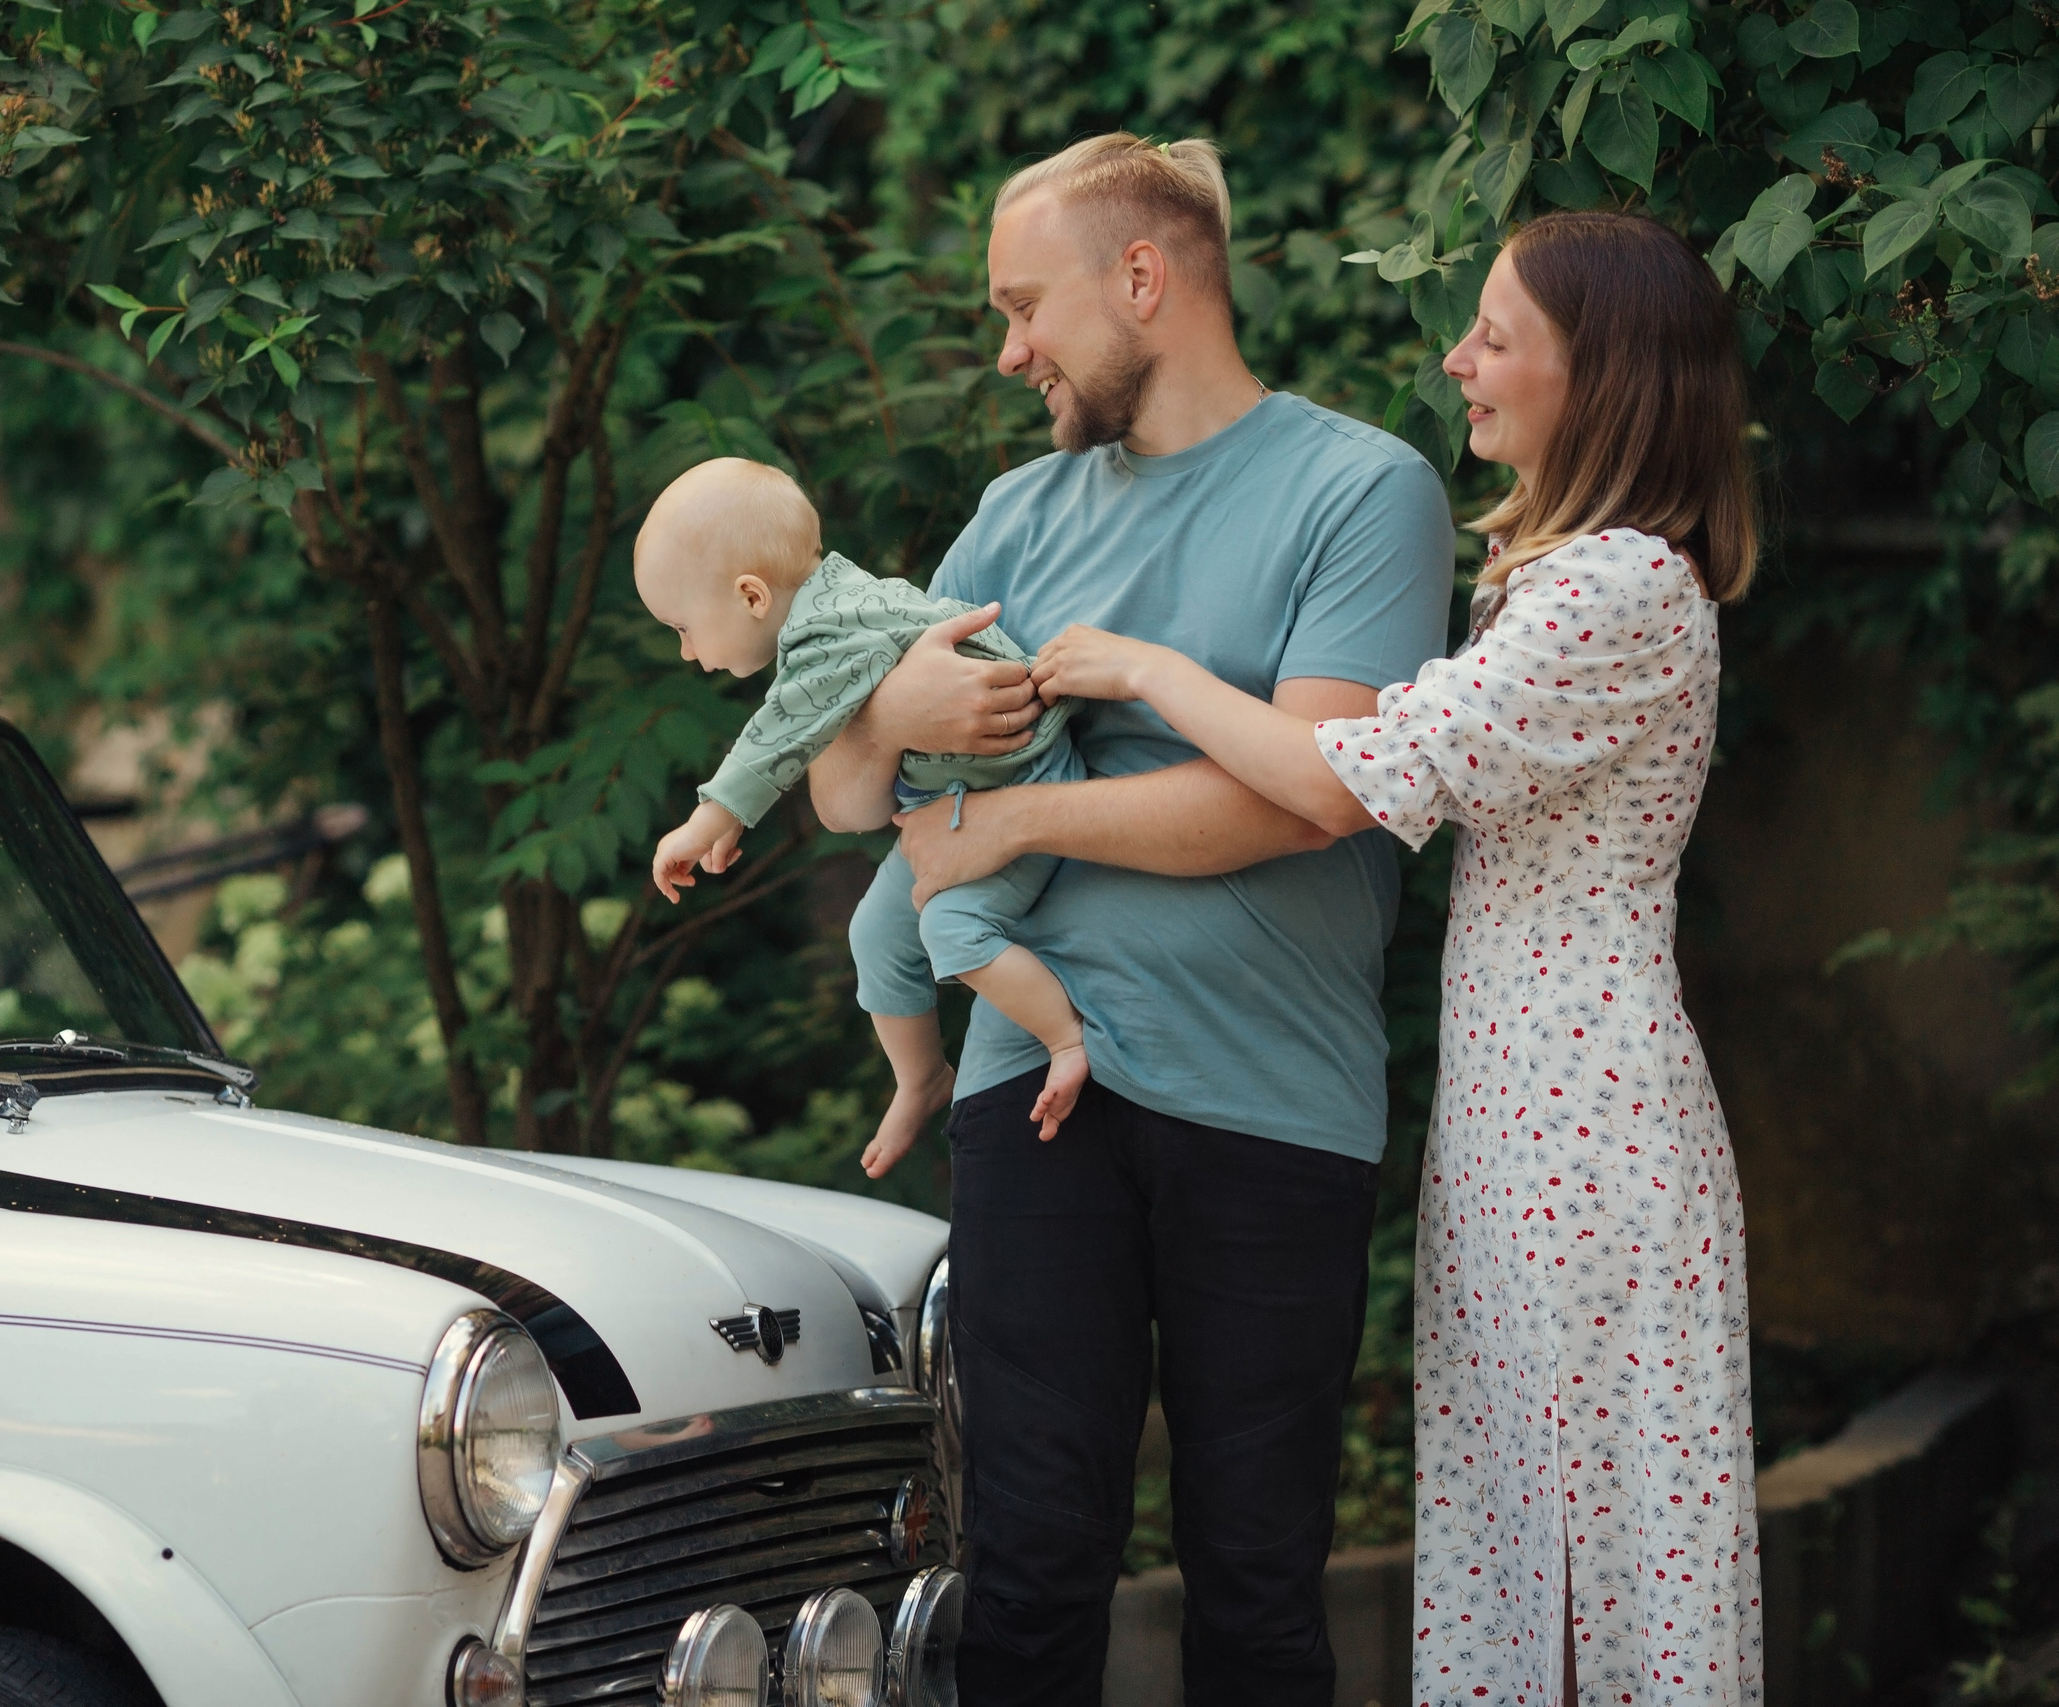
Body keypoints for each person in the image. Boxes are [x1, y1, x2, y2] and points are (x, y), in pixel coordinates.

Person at [1029, 209, 1763, 1704]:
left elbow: (1347, 776)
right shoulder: (1560, 580)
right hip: (1522, 1116)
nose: (1457, 361)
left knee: (1586, 1545)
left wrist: (1148, 667)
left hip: (1585, 1128)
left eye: (1496, 335)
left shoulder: (1618, 589)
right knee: (1525, 1528)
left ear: (1600, 372)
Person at [806, 134, 1456, 1705]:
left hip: (1273, 1098)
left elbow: (1307, 795)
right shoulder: (1014, 514)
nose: (1011, 350)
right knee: (1028, 1572)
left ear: (1144, 278)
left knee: (1256, 1585)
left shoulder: (1363, 489)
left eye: (1027, 307)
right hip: (1031, 1093)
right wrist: (888, 707)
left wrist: (1016, 819)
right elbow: (841, 791)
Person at [640, 457, 1092, 1158]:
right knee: (874, 936)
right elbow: (806, 737)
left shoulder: (830, 633)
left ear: (752, 595)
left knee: (952, 927)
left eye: (683, 626)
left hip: (1027, 789)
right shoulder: (839, 609)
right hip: (960, 802)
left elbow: (778, 733)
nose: (685, 651)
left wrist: (709, 819)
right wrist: (731, 818)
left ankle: (1066, 1040)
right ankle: (921, 1078)